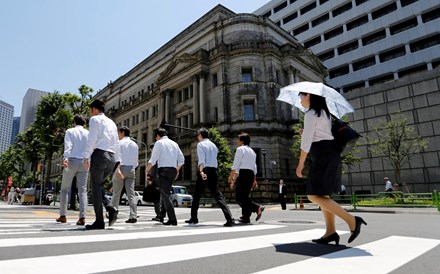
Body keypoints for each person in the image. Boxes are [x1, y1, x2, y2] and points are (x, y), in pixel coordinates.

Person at [296, 92, 366, 245]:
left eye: (301, 96)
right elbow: (320, 134)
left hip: (323, 156)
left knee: (313, 195)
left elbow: (307, 143)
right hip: (330, 154)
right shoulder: (325, 113)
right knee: (323, 196)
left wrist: (300, 164)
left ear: (308, 95)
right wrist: (305, 133)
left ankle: (352, 220)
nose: (300, 100)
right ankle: (330, 232)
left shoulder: (311, 114)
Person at [82, 99, 119, 230]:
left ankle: (100, 221)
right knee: (97, 187)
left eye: (90, 110)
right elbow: (116, 142)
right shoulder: (112, 123)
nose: (90, 113)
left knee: (96, 188)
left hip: (99, 155)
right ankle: (110, 207)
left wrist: (86, 156)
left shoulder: (94, 120)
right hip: (112, 157)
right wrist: (118, 161)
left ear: (94, 109)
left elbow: (91, 139)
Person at [186, 128, 234, 227]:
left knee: (197, 195)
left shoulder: (200, 144)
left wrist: (201, 171)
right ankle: (229, 218)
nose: (197, 136)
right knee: (218, 195)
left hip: (205, 170)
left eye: (198, 134)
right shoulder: (214, 145)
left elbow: (202, 160)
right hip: (214, 170)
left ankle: (194, 218)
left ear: (200, 135)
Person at [146, 128, 184, 226]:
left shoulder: (159, 143)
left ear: (158, 136)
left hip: (164, 171)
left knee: (166, 195)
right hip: (172, 170)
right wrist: (177, 169)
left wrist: (147, 170)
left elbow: (153, 159)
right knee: (165, 193)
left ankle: (172, 219)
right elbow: (181, 159)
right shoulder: (174, 144)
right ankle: (162, 215)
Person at [56, 115, 89, 226]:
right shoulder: (88, 133)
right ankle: (82, 217)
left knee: (65, 189)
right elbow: (90, 148)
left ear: (74, 122)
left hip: (72, 161)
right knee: (82, 191)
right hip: (84, 162)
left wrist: (65, 158)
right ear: (84, 123)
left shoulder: (70, 131)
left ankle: (63, 215)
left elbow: (68, 145)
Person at [228, 132, 264, 224]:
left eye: (238, 139)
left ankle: (257, 207)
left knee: (239, 197)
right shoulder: (252, 151)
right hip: (250, 174)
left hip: (243, 174)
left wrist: (231, 176)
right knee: (245, 196)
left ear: (242, 141)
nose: (237, 141)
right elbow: (254, 166)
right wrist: (254, 179)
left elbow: (236, 165)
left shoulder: (240, 149)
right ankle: (245, 217)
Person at [110, 126, 139, 224]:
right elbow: (136, 162)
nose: (118, 135)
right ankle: (133, 215)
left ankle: (113, 214)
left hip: (121, 168)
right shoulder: (135, 144)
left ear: (122, 132)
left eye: (119, 133)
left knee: (116, 194)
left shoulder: (119, 143)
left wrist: (117, 169)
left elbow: (117, 158)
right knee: (131, 194)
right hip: (131, 169)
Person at [147, 142, 165, 222]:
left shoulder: (154, 156)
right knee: (162, 198)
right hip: (163, 178)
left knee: (156, 199)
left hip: (155, 180)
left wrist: (149, 179)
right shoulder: (162, 154)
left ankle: (158, 214)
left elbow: (152, 168)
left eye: (151, 149)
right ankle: (162, 214)